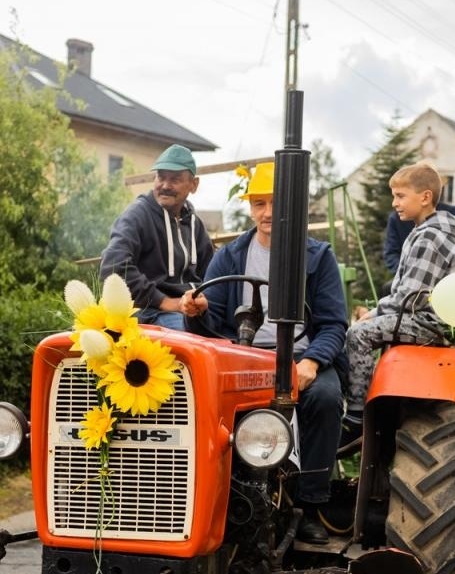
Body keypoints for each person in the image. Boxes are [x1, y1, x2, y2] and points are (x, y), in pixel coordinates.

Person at [179, 163, 348, 544]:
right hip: (245, 358)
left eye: (276, 203)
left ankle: (310, 503)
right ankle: (215, 499)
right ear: (250, 208)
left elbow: (334, 323)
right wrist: (197, 311)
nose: (267, 213)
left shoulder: (318, 257)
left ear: (294, 208)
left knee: (323, 397)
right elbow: (211, 324)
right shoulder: (231, 256)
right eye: (259, 203)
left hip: (303, 354)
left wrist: (312, 362)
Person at [344, 163, 455, 417]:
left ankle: (356, 413)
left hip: (430, 323)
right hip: (424, 319)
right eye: (394, 196)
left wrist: (375, 312)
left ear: (425, 197)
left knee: (358, 334)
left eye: (400, 196)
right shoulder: (425, 232)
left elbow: (412, 298)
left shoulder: (430, 238)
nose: (394, 203)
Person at [100, 144, 213, 329]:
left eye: (175, 179)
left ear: (194, 184)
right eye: (161, 177)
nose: (165, 186)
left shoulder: (195, 225)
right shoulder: (137, 215)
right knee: (192, 337)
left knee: (231, 335)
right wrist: (165, 301)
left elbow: (211, 271)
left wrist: (200, 300)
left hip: (188, 311)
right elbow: (113, 267)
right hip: (148, 311)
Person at [382, 206, 455, 272]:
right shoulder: (397, 218)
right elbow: (391, 254)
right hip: (410, 283)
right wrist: (409, 272)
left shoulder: (452, 213)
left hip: (447, 282)